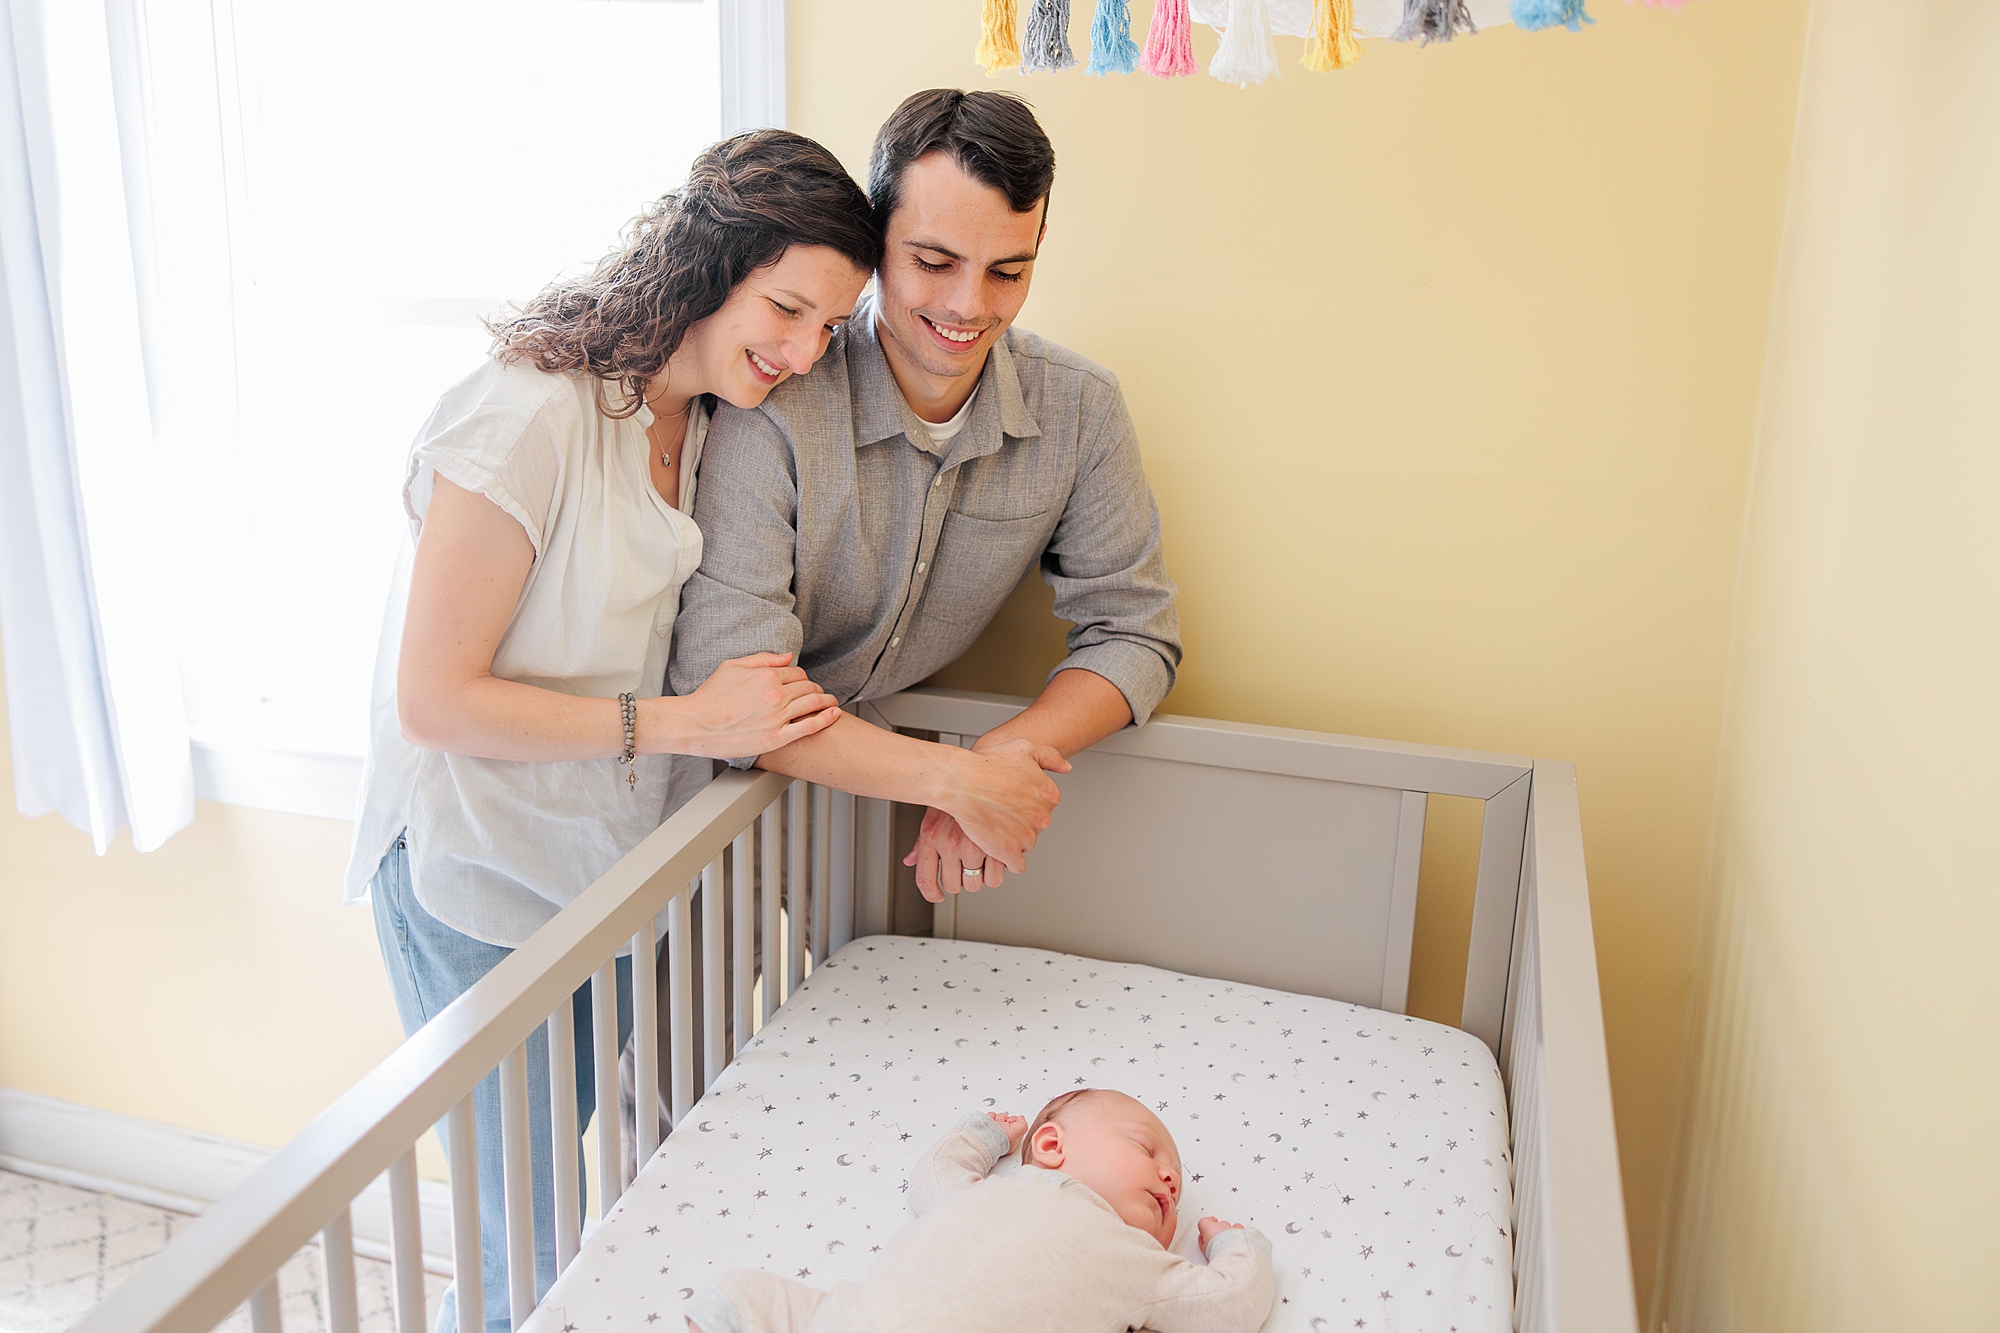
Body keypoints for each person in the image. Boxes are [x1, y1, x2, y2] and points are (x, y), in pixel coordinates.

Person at [342, 130, 881, 1332]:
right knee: (522, 1231)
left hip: (595, 871)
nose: (800, 354)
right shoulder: (526, 418)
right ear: (706, 264)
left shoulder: (704, 421)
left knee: (579, 1195)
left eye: (826, 331)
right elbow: (437, 699)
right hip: (474, 875)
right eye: (785, 309)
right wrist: (691, 722)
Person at [668, 90, 1181, 901]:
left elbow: (1135, 632)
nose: (970, 306)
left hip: (865, 793)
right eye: (934, 262)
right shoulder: (778, 392)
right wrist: (953, 780)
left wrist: (1001, 758)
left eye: (1009, 271)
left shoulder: (1081, 409)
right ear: (876, 246)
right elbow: (731, 677)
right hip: (697, 800)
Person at [684, 1089, 1274, 1332]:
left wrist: (1237, 1247)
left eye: (1177, 1184)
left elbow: (1228, 1306)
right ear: (1049, 1146)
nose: (1171, 1177)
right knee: (742, 1296)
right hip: (856, 1322)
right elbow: (933, 1175)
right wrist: (983, 1135)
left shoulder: (1141, 1264)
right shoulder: (988, 1193)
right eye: (1148, 1149)